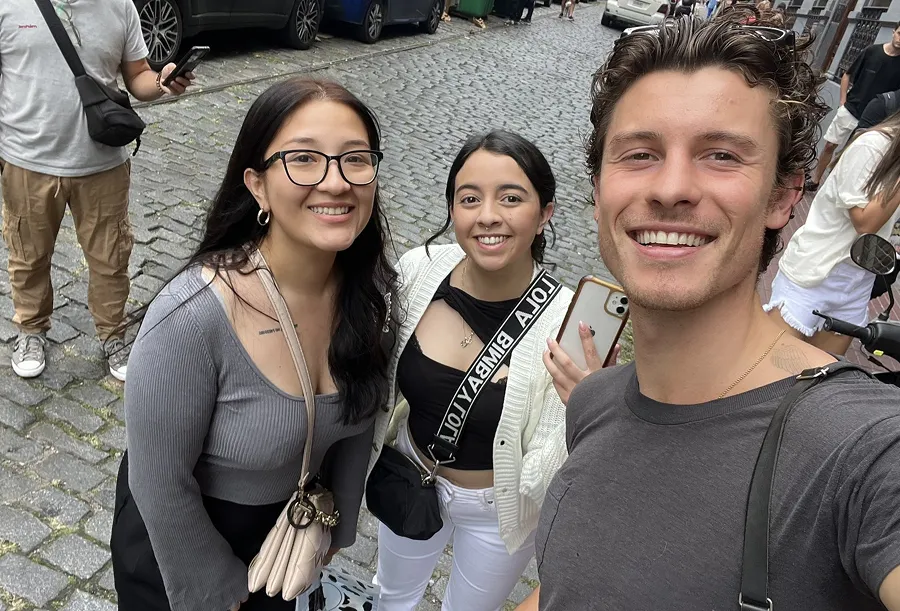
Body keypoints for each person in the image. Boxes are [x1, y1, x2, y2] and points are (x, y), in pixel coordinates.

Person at [519, 16, 900, 611]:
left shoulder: (860, 446)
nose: (671, 187)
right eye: (640, 154)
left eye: (721, 155)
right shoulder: (595, 403)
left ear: (783, 196)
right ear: (596, 193)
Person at [109, 78, 398, 611]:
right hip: (179, 550)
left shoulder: (372, 296)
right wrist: (217, 587)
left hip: (284, 546)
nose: (336, 182)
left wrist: (336, 528)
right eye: (304, 159)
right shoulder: (191, 317)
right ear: (257, 185)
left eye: (355, 159)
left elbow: (362, 420)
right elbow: (159, 482)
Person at [372, 130, 585, 611]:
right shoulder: (420, 270)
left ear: (545, 213)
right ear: (452, 210)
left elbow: (556, 465)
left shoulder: (569, 323)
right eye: (470, 198)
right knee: (391, 596)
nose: (488, 215)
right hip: (411, 472)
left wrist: (584, 408)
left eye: (511, 198)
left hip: (496, 511)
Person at [0, 0, 195, 381]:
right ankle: (31, 331)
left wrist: (162, 82)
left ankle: (114, 335)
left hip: (102, 161)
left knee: (111, 258)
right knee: (28, 254)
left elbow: (137, 74)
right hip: (26, 159)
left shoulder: (119, 5)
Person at [765, 113, 900, 355]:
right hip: (814, 273)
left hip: (857, 281)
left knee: (821, 373)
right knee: (771, 365)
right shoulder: (872, 147)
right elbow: (865, 222)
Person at [806, 23, 900, 192]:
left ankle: (831, 188)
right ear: (894, 32)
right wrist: (843, 103)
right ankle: (815, 180)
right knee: (830, 146)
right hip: (851, 109)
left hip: (873, 119)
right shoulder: (872, 52)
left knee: (849, 155)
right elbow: (847, 75)